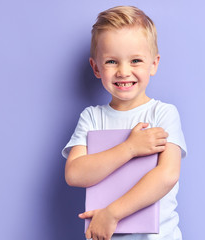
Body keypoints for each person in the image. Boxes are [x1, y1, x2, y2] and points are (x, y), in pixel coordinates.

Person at [62, 5, 187, 240]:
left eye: (136, 60)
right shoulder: (92, 117)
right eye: (111, 62)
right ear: (96, 67)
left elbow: (167, 175)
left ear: (154, 64)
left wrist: (112, 214)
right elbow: (74, 174)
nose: (123, 71)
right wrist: (129, 148)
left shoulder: (163, 113)